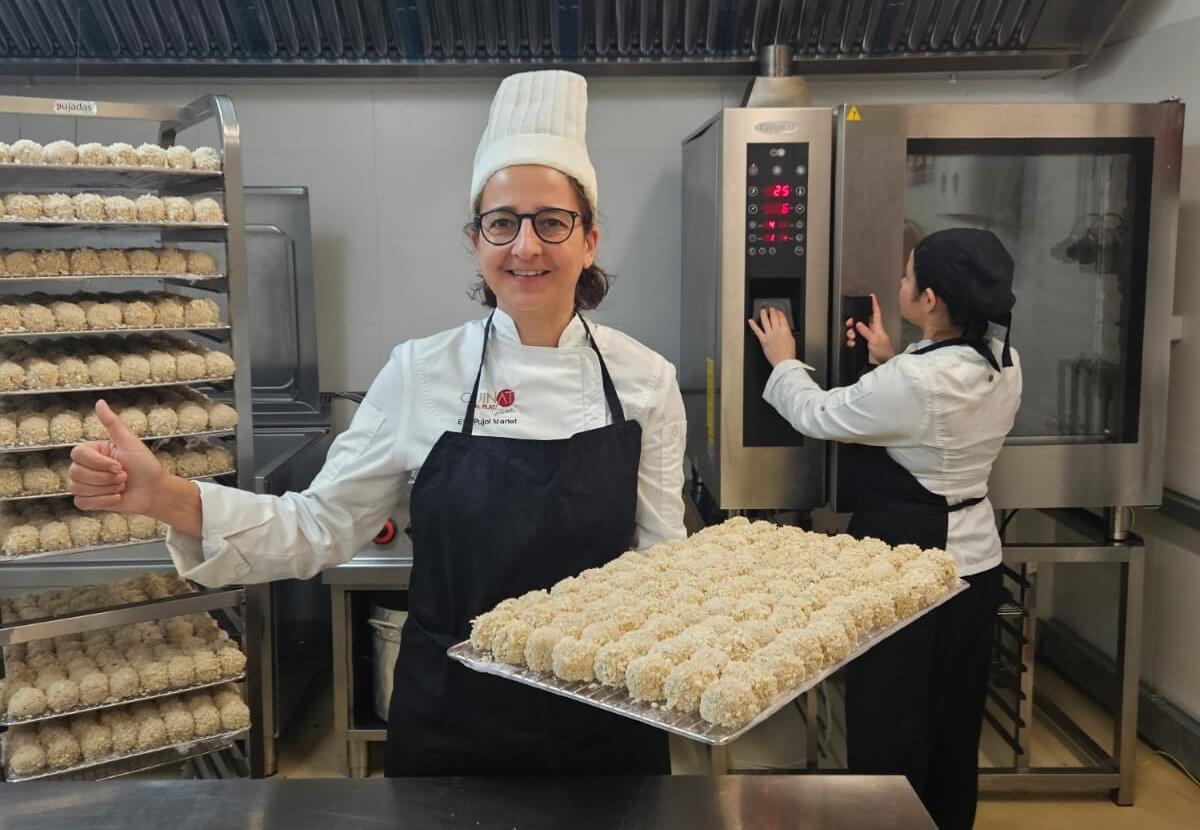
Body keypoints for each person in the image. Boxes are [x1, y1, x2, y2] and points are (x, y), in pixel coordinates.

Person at [68, 70, 686, 777]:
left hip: (604, 717)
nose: (526, 246)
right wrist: (162, 495)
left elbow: (663, 568)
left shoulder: (645, 381)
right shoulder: (422, 372)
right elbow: (318, 527)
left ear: (589, 239)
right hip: (456, 717)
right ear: (477, 239)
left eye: (552, 221)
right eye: (502, 221)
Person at [749, 228, 1022, 830]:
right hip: (976, 562)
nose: (898, 284)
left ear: (930, 300)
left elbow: (819, 413)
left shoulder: (913, 381)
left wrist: (782, 358)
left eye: (906, 277)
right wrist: (892, 357)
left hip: (909, 570)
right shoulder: (1003, 362)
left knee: (889, 721)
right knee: (953, 721)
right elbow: (932, 405)